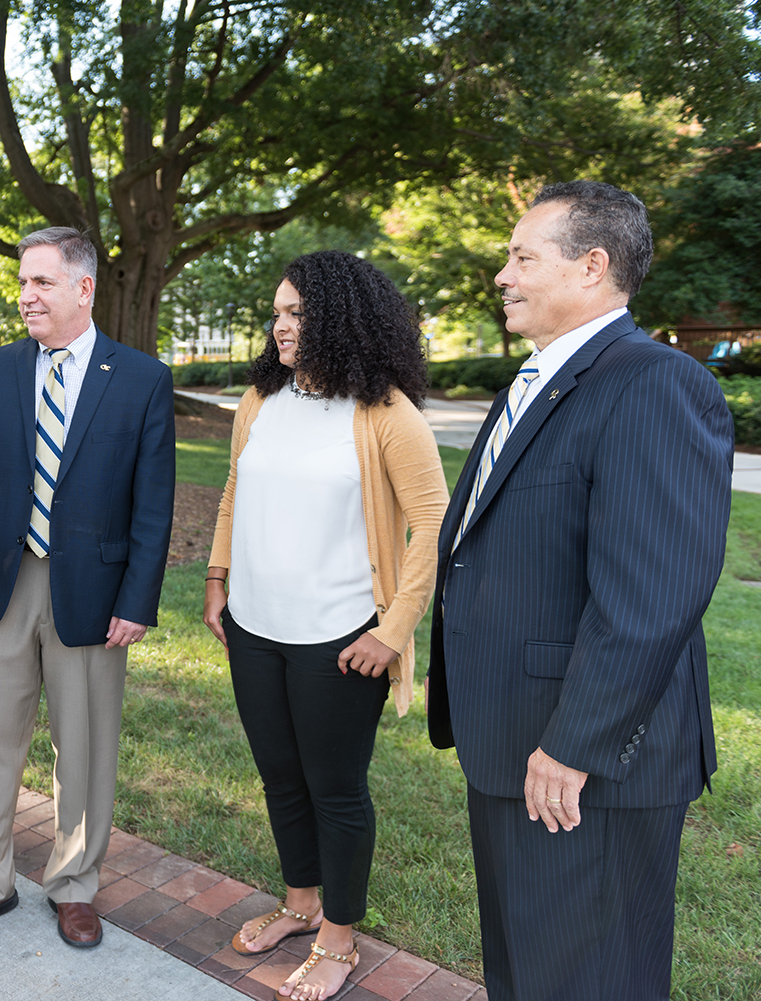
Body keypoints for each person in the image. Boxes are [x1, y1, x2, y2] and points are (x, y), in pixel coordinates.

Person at [427, 181, 733, 1000]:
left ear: (592, 266)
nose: (502, 274)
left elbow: (652, 595)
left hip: (582, 763)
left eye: (523, 256)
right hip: (514, 745)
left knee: (590, 979)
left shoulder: (654, 384)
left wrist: (575, 746)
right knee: (527, 971)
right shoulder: (533, 382)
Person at [201, 250, 448, 1000]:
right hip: (253, 628)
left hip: (340, 639)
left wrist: (393, 630)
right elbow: (235, 491)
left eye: (298, 314)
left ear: (342, 320)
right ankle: (301, 903)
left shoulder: (386, 414)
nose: (281, 327)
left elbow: (433, 524)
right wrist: (217, 579)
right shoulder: (261, 398)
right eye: (277, 312)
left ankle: (339, 938)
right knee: (280, 777)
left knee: (334, 788)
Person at [0, 226, 176, 949]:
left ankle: (74, 885)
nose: (25, 296)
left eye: (40, 282)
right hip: (4, 584)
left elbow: (152, 506)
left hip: (95, 595)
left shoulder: (140, 379)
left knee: (87, 745)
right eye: (23, 282)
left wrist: (137, 600)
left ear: (83, 288)